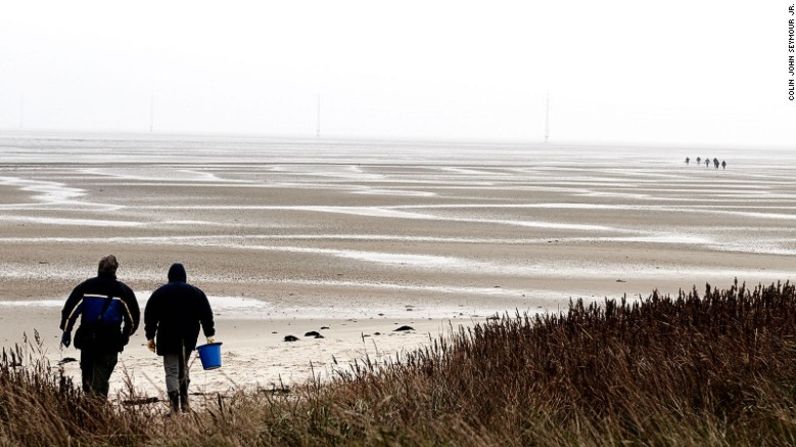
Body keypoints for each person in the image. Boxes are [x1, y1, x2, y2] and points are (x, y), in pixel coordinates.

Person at [59, 255, 140, 398]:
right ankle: (97, 409)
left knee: (88, 379)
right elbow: (133, 319)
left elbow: (70, 311)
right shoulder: (123, 291)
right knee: (101, 379)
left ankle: (92, 409)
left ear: (99, 269)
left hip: (88, 340)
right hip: (111, 341)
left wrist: (67, 331)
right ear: (115, 270)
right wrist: (125, 336)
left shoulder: (86, 287)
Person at [144, 263, 215, 413]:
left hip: (167, 336)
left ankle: (174, 406)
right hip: (189, 337)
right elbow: (206, 315)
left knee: (171, 370)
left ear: (169, 276)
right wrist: (209, 334)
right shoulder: (196, 293)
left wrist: (150, 337)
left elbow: (150, 316)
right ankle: (185, 403)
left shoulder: (160, 293)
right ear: (184, 277)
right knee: (183, 368)